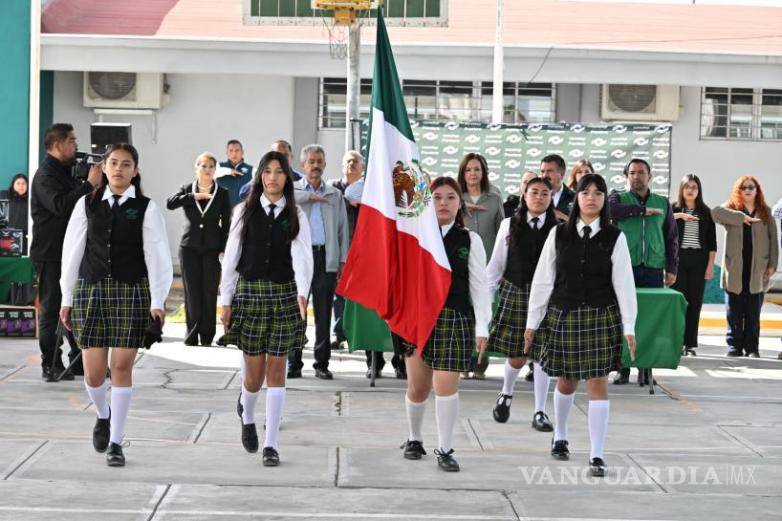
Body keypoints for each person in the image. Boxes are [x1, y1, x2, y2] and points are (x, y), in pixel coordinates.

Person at [59, 143, 173, 466]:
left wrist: (157, 301)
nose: (119, 169)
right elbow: (72, 253)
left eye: (126, 164)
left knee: (121, 367)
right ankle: (102, 413)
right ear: (104, 168)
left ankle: (116, 443)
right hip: (92, 292)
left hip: (131, 293)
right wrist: (67, 297)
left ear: (135, 171)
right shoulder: (87, 204)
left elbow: (158, 257)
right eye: (113, 163)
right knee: (94, 375)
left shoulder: (147, 208)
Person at [525, 173, 637, 478]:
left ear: (604, 200)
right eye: (585, 192)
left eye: (598, 193)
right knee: (566, 381)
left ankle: (597, 454)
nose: (592, 197)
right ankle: (560, 435)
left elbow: (624, 284)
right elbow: (543, 280)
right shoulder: (558, 234)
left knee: (598, 382)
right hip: (564, 313)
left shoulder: (616, 237)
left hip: (601, 316)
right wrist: (532, 322)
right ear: (577, 198)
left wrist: (629, 326)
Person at [219, 150, 312, 467]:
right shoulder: (243, 212)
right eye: (267, 171)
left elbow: (302, 258)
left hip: (284, 294)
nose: (273, 177)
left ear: (287, 178)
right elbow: (231, 258)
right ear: (259, 176)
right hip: (251, 293)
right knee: (254, 377)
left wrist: (303, 293)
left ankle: (271, 443)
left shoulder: (296, 213)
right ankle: (247, 412)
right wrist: (225, 300)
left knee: (277, 370)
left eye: (279, 171)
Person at [400, 176, 490, 472]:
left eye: (450, 197)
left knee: (446, 386)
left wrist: (482, 328)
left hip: (454, 317)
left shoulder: (470, 240)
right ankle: (414, 438)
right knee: (418, 388)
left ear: (459, 203)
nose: (443, 203)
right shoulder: (415, 236)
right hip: (417, 319)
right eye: (437, 197)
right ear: (427, 202)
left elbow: (480, 286)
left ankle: (445, 448)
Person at [31, 123, 103, 381]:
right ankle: (50, 363)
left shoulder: (65, 172)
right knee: (51, 309)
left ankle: (78, 359)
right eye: (71, 141)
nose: (76, 145)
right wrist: (87, 185)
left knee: (75, 304)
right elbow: (61, 206)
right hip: (51, 253)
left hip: (71, 250)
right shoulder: (45, 176)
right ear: (58, 145)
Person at [484, 177, 556, 432]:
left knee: (542, 356)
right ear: (524, 196)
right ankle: (506, 393)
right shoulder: (508, 224)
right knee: (516, 356)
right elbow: (495, 266)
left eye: (544, 193)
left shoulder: (558, 228)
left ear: (551, 197)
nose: (539, 197)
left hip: (546, 297)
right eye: (534, 192)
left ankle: (540, 411)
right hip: (515, 292)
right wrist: (485, 299)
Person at [608, 158, 678, 385]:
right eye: (632, 173)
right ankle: (623, 368)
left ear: (650, 175)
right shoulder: (618, 198)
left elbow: (671, 237)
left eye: (641, 172)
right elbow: (611, 211)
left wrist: (672, 267)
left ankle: (646, 368)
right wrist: (641, 211)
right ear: (626, 176)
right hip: (625, 267)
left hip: (653, 267)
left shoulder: (663, 202)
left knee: (650, 319)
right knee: (623, 318)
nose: (636, 176)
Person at [290, 144, 349, 380]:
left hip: (325, 257)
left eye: (319, 161)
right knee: (297, 311)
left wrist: (343, 261)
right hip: (300, 260)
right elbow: (284, 197)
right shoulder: (292, 190)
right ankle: (294, 363)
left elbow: (343, 231)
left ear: (324, 165)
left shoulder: (334, 195)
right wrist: (310, 196)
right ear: (303, 165)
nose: (315, 165)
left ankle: (321, 363)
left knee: (324, 314)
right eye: (311, 161)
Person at [166, 152, 232, 346]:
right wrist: (192, 196)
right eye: (203, 166)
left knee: (209, 290)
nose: (207, 170)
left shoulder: (222, 192)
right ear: (197, 168)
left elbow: (226, 223)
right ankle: (192, 333)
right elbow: (170, 203)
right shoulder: (187, 189)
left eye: (211, 166)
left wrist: (223, 248)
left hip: (212, 248)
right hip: (189, 247)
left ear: (215, 170)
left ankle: (207, 335)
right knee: (192, 291)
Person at [712, 176, 778, 358]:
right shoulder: (732, 208)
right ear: (738, 190)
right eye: (744, 187)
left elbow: (773, 239)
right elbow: (715, 213)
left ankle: (752, 348)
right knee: (733, 311)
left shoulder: (765, 212)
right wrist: (741, 217)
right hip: (735, 269)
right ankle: (734, 346)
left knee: (752, 312)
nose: (748, 190)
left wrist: (773, 264)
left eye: (751, 187)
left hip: (757, 270)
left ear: (757, 190)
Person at [457, 153, 503, 379]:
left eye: (477, 169)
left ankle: (480, 363)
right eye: (468, 170)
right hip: (460, 264)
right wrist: (461, 205)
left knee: (483, 313)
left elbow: (502, 233)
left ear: (483, 172)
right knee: (464, 314)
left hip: (487, 268)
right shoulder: (454, 197)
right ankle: (464, 362)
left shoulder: (494, 198)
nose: (473, 174)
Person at [671, 175, 717, 356]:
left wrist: (710, 265)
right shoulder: (673, 209)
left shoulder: (706, 212)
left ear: (699, 191)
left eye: (694, 187)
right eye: (687, 187)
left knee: (694, 303)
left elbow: (712, 243)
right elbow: (661, 224)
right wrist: (679, 215)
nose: (690, 190)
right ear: (681, 189)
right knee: (678, 302)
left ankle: (689, 344)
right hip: (678, 260)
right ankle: (676, 342)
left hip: (699, 260)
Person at [218, 139, 253, 207]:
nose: (234, 153)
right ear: (226, 152)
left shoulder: (251, 170)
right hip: (222, 213)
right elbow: (209, 172)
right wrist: (228, 171)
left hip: (243, 212)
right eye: (231, 151)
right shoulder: (218, 167)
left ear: (242, 152)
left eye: (237, 150)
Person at [540, 154, 574, 222]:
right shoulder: (534, 197)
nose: (545, 175)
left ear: (562, 174)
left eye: (550, 171)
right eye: (542, 171)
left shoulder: (576, 198)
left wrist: (565, 218)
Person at [7, 174, 29, 254]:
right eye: (18, 183)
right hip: (7, 237)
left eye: (23, 183)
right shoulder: (5, 196)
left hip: (27, 238)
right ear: (13, 185)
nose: (21, 186)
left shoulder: (32, 199)